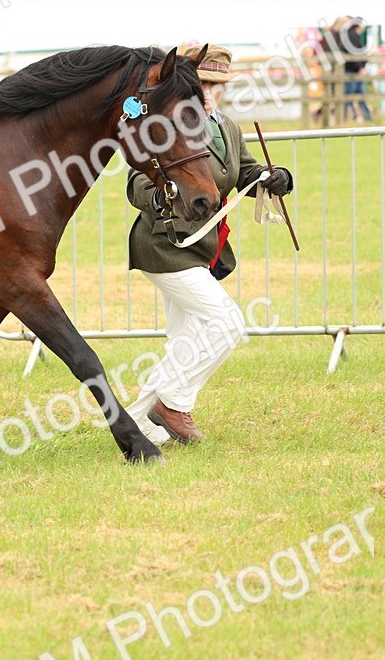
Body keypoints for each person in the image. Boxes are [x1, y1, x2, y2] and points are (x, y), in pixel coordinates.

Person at [124, 44, 293, 446]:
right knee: (227, 323)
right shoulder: (165, 126)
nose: (209, 93)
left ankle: (136, 423)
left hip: (203, 249)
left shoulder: (228, 127)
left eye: (217, 85)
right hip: (163, 244)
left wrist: (277, 177)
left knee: (185, 340)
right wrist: (165, 197)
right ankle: (173, 405)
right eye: (201, 83)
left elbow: (247, 172)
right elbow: (135, 184)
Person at [341, 16, 373, 122]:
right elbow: (353, 55)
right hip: (352, 71)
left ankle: (367, 117)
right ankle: (343, 118)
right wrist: (360, 67)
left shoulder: (351, 35)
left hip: (354, 70)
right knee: (348, 96)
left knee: (359, 95)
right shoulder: (351, 36)